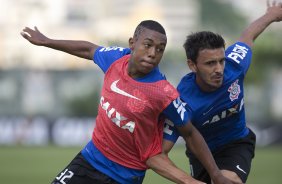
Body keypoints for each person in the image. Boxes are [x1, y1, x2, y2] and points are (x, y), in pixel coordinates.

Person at [21, 20, 236, 184]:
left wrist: (215, 173)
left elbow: (189, 132)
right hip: (89, 159)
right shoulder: (116, 59)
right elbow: (88, 49)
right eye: (148, 45)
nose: (153, 53)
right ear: (133, 44)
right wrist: (46, 41)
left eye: (160, 49)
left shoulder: (163, 93)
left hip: (124, 177)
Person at [163, 1, 282, 184]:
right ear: (192, 65)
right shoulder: (182, 101)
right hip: (201, 155)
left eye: (221, 60)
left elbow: (248, 35)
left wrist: (271, 15)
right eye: (210, 63)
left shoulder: (235, 66)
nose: (219, 69)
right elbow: (162, 150)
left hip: (236, 143)